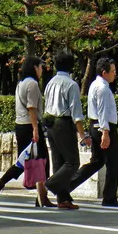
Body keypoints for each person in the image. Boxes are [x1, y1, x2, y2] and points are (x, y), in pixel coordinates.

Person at [0, 56, 54, 208]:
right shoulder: (32, 84)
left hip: (21, 126)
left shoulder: (21, 83)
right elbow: (32, 108)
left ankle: (40, 198)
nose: (42, 70)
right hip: (30, 127)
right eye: (40, 67)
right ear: (34, 68)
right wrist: (36, 129)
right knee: (41, 161)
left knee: (26, 161)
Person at [69, 57, 118, 207]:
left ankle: (68, 185)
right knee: (113, 163)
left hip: (95, 126)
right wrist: (105, 132)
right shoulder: (103, 88)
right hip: (103, 127)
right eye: (112, 71)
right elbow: (102, 112)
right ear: (104, 72)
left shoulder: (95, 84)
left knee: (97, 162)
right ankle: (109, 197)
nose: (115, 74)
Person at [43, 50, 91, 210]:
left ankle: (63, 199)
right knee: (72, 162)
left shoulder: (50, 82)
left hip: (49, 123)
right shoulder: (71, 84)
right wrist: (83, 135)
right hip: (63, 123)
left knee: (58, 162)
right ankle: (50, 184)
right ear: (71, 66)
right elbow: (76, 114)